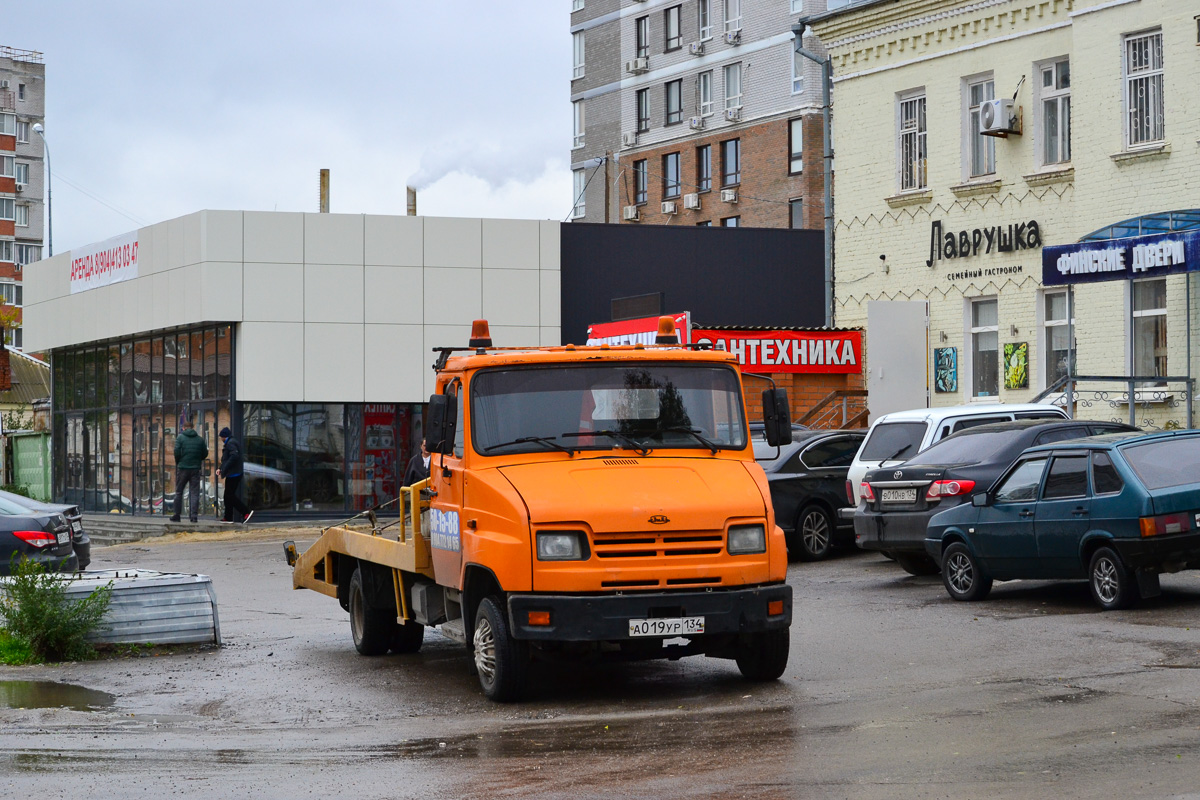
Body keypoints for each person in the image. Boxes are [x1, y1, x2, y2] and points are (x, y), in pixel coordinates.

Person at [170, 420, 209, 523]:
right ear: (192, 427)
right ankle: (194, 516)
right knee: (194, 492)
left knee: (179, 492)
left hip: (183, 468)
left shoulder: (180, 438)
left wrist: (179, 462)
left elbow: (176, 452)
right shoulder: (200, 440)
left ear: (184, 428)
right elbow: (205, 453)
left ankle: (177, 515)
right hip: (195, 469)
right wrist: (197, 460)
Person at [216, 427, 254, 524]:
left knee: (229, 495)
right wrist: (221, 468)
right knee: (227, 496)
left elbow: (234, 456)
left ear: (224, 436)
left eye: (221, 437)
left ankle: (245, 512)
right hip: (232, 473)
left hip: (234, 474)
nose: (221, 439)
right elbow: (226, 459)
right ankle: (228, 517)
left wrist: (224, 468)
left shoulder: (231, 443)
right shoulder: (230, 442)